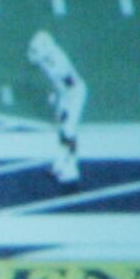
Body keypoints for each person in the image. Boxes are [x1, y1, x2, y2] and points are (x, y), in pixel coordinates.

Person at [25, 30, 86, 184]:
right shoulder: (47, 57)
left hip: (75, 95)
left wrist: (64, 107)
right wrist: (56, 95)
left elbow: (71, 86)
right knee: (61, 128)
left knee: (69, 131)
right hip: (64, 93)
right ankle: (60, 163)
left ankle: (72, 168)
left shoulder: (59, 61)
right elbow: (56, 82)